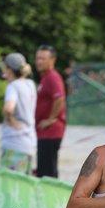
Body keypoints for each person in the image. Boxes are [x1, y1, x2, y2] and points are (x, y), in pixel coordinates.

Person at [0, 53, 36, 175]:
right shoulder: (30, 84)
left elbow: (8, 108)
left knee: (8, 184)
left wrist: (11, 121)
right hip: (29, 145)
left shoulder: (13, 86)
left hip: (14, 145)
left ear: (9, 70)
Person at [35, 45, 66, 178]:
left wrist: (51, 119)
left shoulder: (53, 77)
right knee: (42, 169)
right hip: (44, 132)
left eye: (43, 58)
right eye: (37, 58)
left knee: (48, 172)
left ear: (52, 60)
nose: (39, 61)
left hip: (51, 132)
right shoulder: (45, 77)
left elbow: (59, 98)